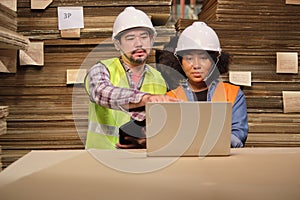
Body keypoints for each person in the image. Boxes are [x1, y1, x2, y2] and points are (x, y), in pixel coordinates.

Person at [84, 7, 179, 149]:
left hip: (140, 159)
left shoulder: (159, 78)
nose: (139, 43)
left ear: (151, 40)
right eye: (130, 38)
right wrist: (145, 99)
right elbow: (101, 92)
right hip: (102, 157)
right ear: (117, 44)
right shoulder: (101, 69)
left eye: (144, 37)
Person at [166, 22, 248, 147]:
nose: (196, 65)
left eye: (203, 58)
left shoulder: (233, 94)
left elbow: (238, 136)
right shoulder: (170, 98)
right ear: (180, 62)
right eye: (189, 58)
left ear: (215, 61)